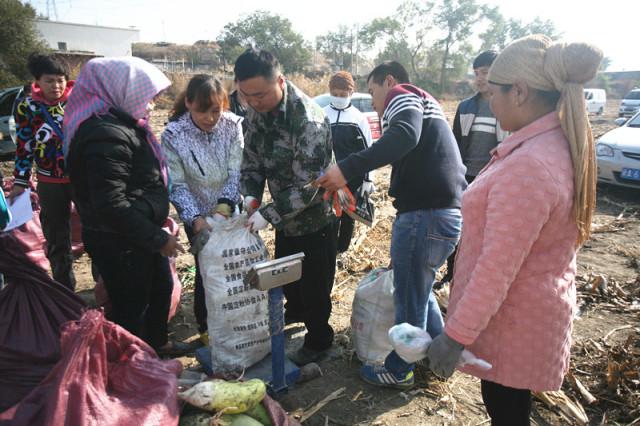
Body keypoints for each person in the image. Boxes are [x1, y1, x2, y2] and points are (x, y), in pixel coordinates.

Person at [425, 35, 602, 425]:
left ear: (519, 91)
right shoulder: (549, 146)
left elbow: (497, 267)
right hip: (524, 315)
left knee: (506, 413)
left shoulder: (530, 165)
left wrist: (455, 336)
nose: (490, 101)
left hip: (513, 323)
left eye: (494, 92)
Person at [317, 61, 467, 388]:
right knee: (420, 290)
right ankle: (439, 360)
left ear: (388, 80)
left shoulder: (403, 92)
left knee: (409, 298)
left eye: (372, 92)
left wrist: (346, 168)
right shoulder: (428, 105)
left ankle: (400, 369)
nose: (372, 101)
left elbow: (404, 136)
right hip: (443, 213)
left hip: (424, 215)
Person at [65, 57, 187, 355]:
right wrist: (158, 238)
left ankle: (158, 343)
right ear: (119, 91)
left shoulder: (120, 124)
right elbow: (110, 203)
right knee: (130, 304)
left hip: (137, 235)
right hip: (119, 241)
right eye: (147, 98)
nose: (151, 106)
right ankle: (133, 363)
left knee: (160, 288)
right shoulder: (104, 133)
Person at [234, 48, 337, 366]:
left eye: (261, 95)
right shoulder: (255, 108)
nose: (254, 102)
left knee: (315, 287)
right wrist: (250, 197)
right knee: (288, 278)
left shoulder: (308, 120)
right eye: (246, 95)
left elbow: (310, 186)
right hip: (284, 218)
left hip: (316, 218)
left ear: (279, 80)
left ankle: (320, 339)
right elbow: (250, 160)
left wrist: (267, 214)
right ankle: (295, 314)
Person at [162, 74, 244, 343]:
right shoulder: (174, 134)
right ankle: (207, 325)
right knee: (207, 268)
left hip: (230, 209)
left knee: (236, 262)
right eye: (202, 111)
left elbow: (236, 170)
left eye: (216, 111)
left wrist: (224, 208)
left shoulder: (232, 126)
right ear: (188, 103)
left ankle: (236, 319)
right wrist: (196, 218)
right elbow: (178, 184)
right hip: (196, 212)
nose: (210, 118)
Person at [9, 53, 76, 290]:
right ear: (37, 81)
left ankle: (104, 288)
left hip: (81, 179)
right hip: (50, 182)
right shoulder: (27, 106)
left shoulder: (78, 100)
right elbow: (24, 144)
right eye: (49, 80)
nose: (56, 86)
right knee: (57, 238)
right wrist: (20, 180)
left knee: (94, 231)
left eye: (60, 80)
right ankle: (65, 290)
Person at [440, 50, 506, 284]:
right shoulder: (466, 107)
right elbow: (455, 145)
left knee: (486, 232)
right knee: (459, 229)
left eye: (485, 73)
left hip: (495, 179)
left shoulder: (508, 109)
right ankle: (453, 275)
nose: (479, 78)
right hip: (466, 178)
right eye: (477, 73)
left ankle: (479, 279)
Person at [323, 71, 374, 253]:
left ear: (351, 93)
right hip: (328, 175)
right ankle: (328, 246)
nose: (339, 98)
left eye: (343, 95)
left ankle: (342, 250)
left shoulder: (358, 118)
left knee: (348, 215)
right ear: (330, 92)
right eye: (335, 94)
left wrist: (368, 180)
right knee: (328, 212)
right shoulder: (322, 115)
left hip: (352, 176)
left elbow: (369, 151)